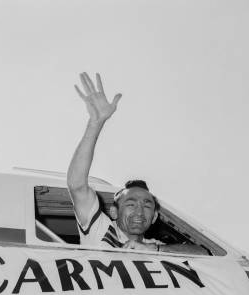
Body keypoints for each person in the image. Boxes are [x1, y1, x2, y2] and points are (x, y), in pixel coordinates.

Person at [67, 72, 207, 254]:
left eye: (147, 205)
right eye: (131, 204)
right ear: (114, 212)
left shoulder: (154, 245)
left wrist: (154, 249)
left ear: (155, 216)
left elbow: (204, 254)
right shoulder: (101, 232)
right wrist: (96, 123)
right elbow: (77, 185)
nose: (140, 211)